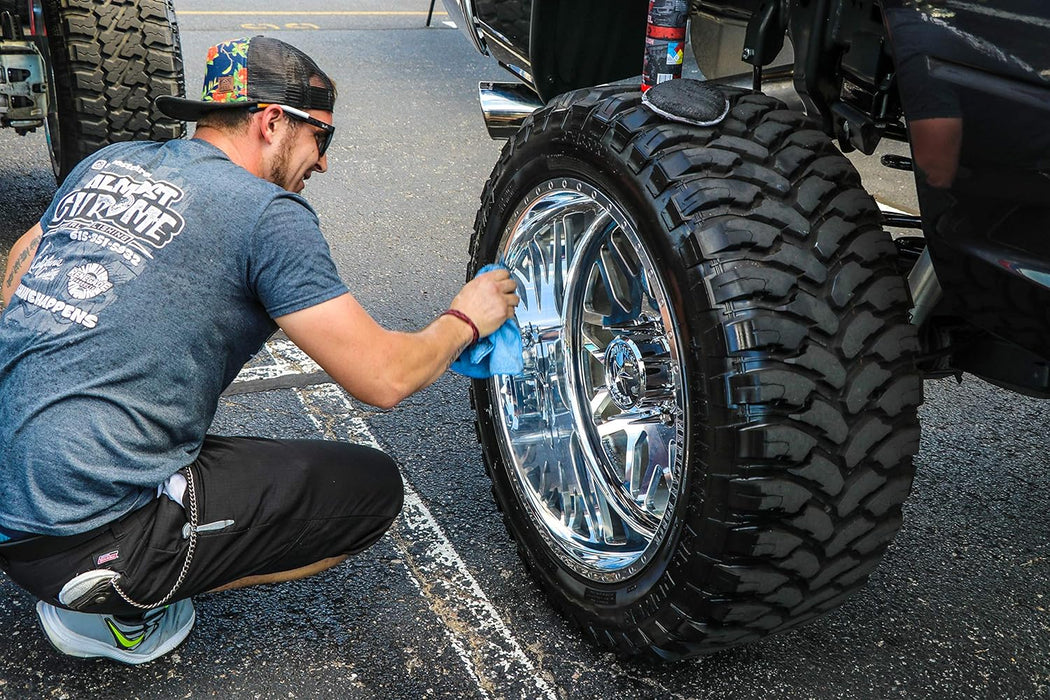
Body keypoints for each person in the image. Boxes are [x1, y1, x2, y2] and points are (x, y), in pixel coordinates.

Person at [0, 36, 519, 665]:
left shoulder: (112, 163)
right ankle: (114, 605)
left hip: (15, 490)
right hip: (74, 537)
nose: (323, 164)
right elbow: (384, 377)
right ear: (273, 123)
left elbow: (21, 257)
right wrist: (466, 317)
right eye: (321, 138)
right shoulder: (267, 215)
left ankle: (80, 533)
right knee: (370, 492)